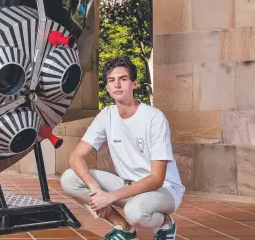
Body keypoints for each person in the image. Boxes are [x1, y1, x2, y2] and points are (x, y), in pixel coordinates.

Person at [60, 56, 184, 240]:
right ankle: (124, 229)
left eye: (123, 79)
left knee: (135, 212)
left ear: (134, 84)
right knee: (69, 178)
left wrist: (110, 197)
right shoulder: (107, 115)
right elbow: (76, 157)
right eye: (112, 80)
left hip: (164, 190)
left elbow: (157, 179)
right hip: (127, 184)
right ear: (108, 87)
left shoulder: (154, 118)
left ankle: (165, 225)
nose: (117, 84)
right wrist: (95, 189)